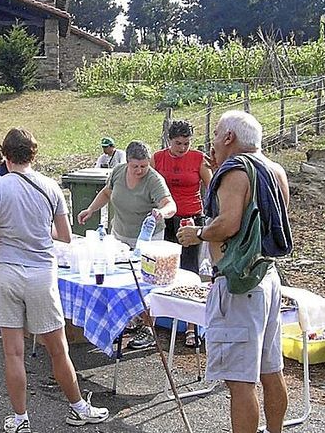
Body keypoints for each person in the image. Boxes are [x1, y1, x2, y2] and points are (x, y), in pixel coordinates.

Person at [0, 128, 109, 433]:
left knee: (13, 352)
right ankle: (78, 407)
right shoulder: (50, 187)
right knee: (58, 349)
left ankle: (20, 418)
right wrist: (37, 231)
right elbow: (64, 236)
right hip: (41, 273)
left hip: (6, 270)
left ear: (5, 156)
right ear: (33, 155)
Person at [177, 110, 292, 433]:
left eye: (216, 133)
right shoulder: (275, 170)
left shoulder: (235, 169)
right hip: (267, 276)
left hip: (240, 283)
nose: (212, 141)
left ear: (229, 138)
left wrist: (198, 233)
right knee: (271, 371)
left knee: (240, 381)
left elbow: (229, 223)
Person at [77, 140, 176, 350]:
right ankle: (128, 320)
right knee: (121, 279)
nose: (140, 170)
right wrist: (90, 210)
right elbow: (106, 192)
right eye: (135, 166)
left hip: (147, 239)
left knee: (143, 283)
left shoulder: (154, 180)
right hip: (120, 234)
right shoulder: (118, 172)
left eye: (144, 166)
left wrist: (161, 212)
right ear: (128, 163)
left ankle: (149, 328)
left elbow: (170, 205)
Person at [151, 120, 212, 347]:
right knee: (161, 269)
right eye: (178, 143)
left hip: (190, 217)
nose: (182, 148)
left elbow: (211, 185)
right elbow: (148, 183)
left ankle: (191, 326)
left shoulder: (198, 159)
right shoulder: (158, 158)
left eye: (186, 143)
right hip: (165, 219)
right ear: (169, 141)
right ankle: (153, 320)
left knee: (190, 270)